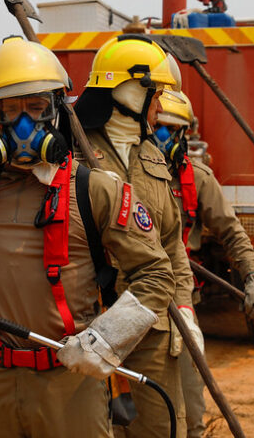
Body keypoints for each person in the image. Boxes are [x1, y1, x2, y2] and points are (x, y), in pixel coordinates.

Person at [0, 36, 176, 438]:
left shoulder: (96, 190)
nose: (23, 124)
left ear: (56, 110)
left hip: (71, 378)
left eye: (36, 107)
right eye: (9, 109)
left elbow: (156, 274)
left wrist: (109, 337)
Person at [74, 34, 195, 438]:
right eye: (155, 96)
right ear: (129, 91)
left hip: (151, 322)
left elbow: (172, 243)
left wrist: (184, 305)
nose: (160, 108)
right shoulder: (73, 153)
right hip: (88, 323)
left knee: (160, 428)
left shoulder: (153, 157)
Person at [152, 84, 254, 438]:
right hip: (125, 295)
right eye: (158, 126)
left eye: (173, 129)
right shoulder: (118, 172)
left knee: (190, 406)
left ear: (185, 135)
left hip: (178, 296)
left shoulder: (196, 178)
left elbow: (233, 233)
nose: (163, 136)